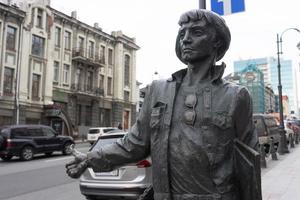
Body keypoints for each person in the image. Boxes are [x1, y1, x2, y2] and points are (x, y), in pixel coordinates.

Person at [66, 9, 260, 200]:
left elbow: (249, 164)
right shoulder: (158, 91)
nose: (185, 39)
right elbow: (134, 144)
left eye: (197, 32)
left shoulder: (235, 96)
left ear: (217, 41)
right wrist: (90, 158)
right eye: (182, 33)